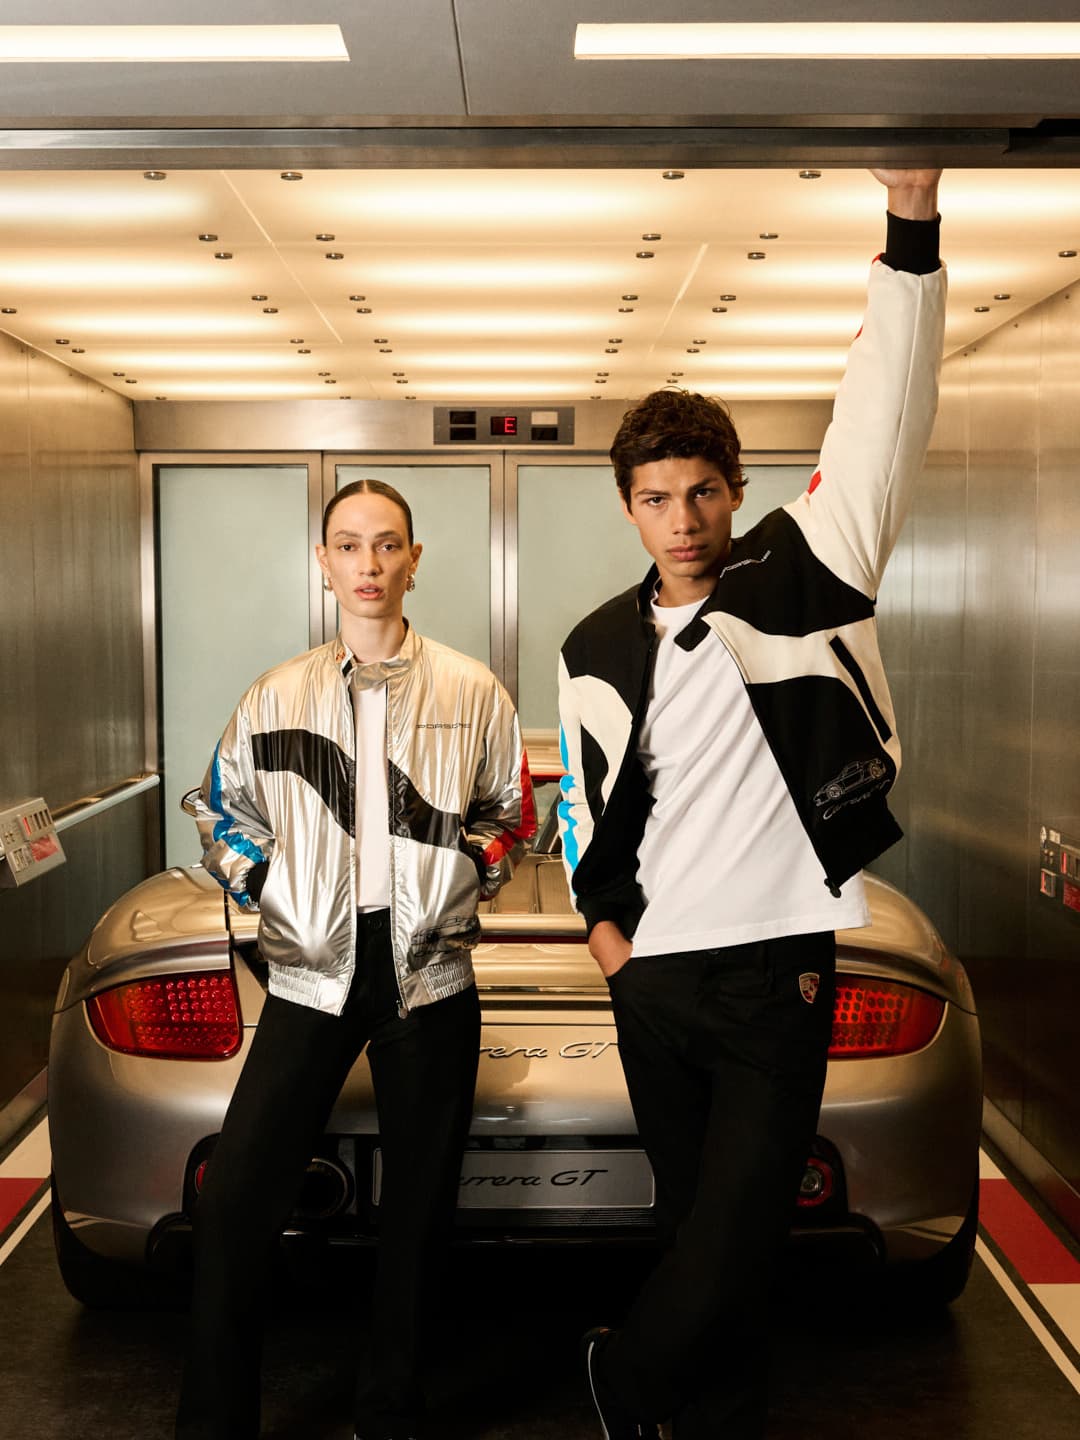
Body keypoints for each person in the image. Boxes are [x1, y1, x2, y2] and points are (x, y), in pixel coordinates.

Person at [557, 168, 946, 1439]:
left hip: (776, 964)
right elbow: (587, 813)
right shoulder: (593, 645)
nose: (683, 521)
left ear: (736, 487)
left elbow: (883, 418)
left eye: (703, 492)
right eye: (656, 499)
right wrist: (611, 947)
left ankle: (623, 1379)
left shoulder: (805, 574)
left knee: (737, 1234)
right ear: (629, 507)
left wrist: (909, 230)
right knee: (696, 1232)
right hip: (653, 978)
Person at [176, 478, 535, 1440]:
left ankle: (391, 1412)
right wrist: (270, 885)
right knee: (236, 1201)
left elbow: (513, 814)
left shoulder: (472, 689)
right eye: (349, 545)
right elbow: (217, 809)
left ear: (415, 559)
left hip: (431, 977)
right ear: (323, 562)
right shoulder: (276, 693)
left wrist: (468, 871)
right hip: (310, 972)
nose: (369, 564)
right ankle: (214, 1422)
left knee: (417, 1216)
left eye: (387, 544)